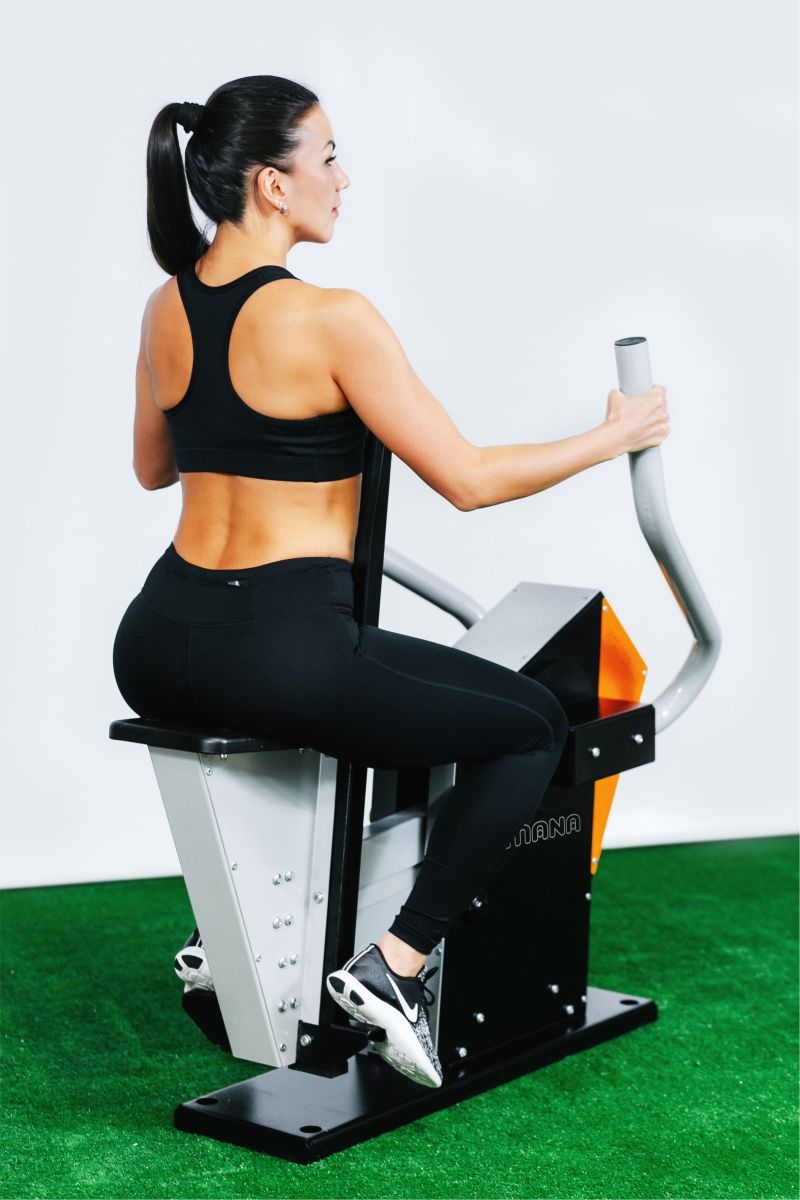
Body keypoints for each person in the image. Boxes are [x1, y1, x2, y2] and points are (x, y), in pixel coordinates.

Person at [112, 74, 671, 1090]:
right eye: (327, 158)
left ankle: (227, 940)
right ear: (272, 184)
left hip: (155, 640)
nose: (343, 179)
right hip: (279, 647)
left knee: (372, 707)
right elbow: (467, 480)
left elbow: (156, 468)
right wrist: (614, 434)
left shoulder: (166, 304)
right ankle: (396, 964)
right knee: (531, 727)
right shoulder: (331, 318)